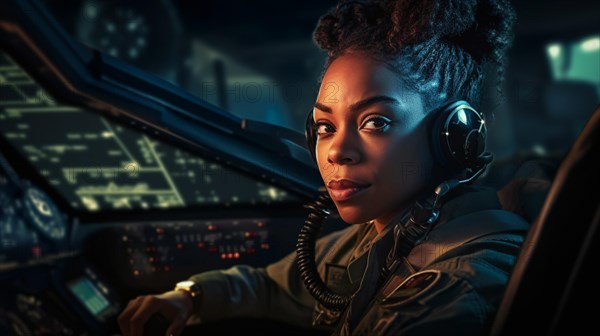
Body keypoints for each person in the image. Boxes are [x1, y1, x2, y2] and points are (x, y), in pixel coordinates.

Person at [118, 0, 528, 335]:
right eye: (325, 127)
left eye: (375, 122)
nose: (336, 151)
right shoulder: (384, 234)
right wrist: (189, 296)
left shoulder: (454, 284)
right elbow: (270, 284)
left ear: (456, 137)